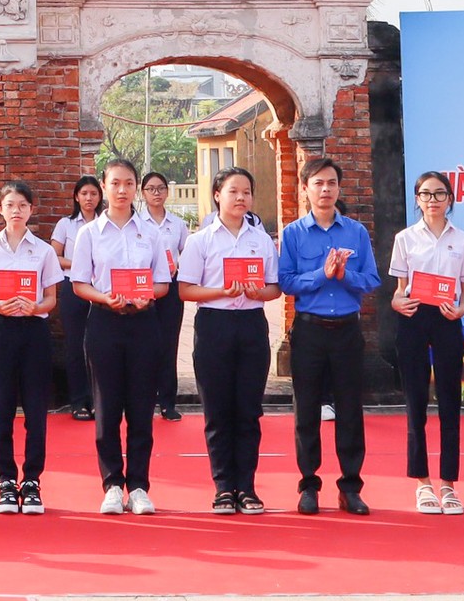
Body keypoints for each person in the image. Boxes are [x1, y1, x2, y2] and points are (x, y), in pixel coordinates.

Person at [278, 157, 379, 516]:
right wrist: (322, 275)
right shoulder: (292, 234)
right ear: (304, 189)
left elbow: (371, 280)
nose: (325, 190)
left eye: (331, 183)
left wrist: (344, 277)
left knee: (351, 410)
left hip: (347, 331)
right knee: (306, 411)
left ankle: (351, 486)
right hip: (309, 331)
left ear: (339, 188)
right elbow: (286, 282)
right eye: (317, 183)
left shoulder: (355, 232)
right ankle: (309, 485)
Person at [178, 166, 280, 515]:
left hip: (251, 325)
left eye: (247, 192)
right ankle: (223, 487)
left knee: (249, 410)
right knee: (218, 410)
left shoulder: (261, 239)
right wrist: (221, 290)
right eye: (233, 191)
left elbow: (274, 288)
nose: (241, 198)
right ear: (217, 195)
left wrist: (258, 291)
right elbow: (185, 290)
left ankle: (247, 488)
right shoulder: (200, 240)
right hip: (214, 325)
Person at [70, 161, 170, 516]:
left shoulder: (151, 233)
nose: (123, 190)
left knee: (141, 408)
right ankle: (112, 483)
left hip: (143, 323)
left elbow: (162, 282)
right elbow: (80, 283)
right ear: (104, 186)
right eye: (116, 183)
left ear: (137, 189)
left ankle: (139, 485)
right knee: (107, 407)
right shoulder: (89, 234)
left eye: (129, 183)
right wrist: (104, 297)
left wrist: (149, 296)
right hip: (105, 323)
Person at [389, 169, 464, 515]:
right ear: (417, 199)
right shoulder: (405, 238)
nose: (433, 200)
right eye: (426, 194)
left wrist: (460, 311)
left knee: (451, 403)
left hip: (447, 319)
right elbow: (398, 290)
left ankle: (449, 484)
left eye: (440, 194)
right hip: (412, 317)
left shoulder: (463, 241)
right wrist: (396, 301)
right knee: (415, 402)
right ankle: (423, 482)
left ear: (450, 199)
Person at [0, 181, 63, 515]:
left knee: (36, 410)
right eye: (10, 205)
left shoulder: (42, 251)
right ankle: (6, 480)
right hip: (0, 331)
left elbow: (52, 298)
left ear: (31, 210)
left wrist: (35, 306)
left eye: (22, 205)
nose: (16, 211)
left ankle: (33, 480)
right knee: (1, 409)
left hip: (34, 332)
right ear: (0, 209)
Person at [50, 175, 102, 421]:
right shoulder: (66, 224)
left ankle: (99, 399)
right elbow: (53, 256)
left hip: (102, 289)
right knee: (74, 344)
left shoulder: (106, 224)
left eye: (93, 193)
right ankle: (78, 400)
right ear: (76, 197)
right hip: (73, 286)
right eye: (84, 194)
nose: (89, 198)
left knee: (100, 344)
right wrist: (80, 264)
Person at [139, 170, 188, 421]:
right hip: (141, 288)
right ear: (143, 192)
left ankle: (168, 401)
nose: (156, 193)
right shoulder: (136, 223)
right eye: (150, 189)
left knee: (169, 343)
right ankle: (145, 400)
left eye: (160, 188)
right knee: (145, 345)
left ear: (167, 192)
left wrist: (178, 267)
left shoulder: (178, 224)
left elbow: (187, 256)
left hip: (170, 287)